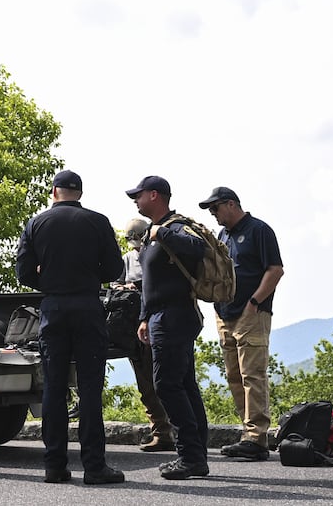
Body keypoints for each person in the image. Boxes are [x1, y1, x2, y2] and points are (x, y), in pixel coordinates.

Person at [15, 169, 126, 485]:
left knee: (54, 387)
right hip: (88, 306)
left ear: (54, 192)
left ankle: (54, 465)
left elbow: (23, 272)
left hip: (53, 307)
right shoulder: (98, 222)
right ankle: (94, 466)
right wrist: (89, 276)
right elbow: (115, 268)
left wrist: (49, 281)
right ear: (80, 193)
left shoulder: (36, 223)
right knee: (90, 388)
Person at [128, 175, 211, 480]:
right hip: (161, 316)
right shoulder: (153, 233)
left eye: (138, 195)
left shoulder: (174, 226)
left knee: (166, 385)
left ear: (155, 195)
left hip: (175, 317)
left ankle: (190, 456)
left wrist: (162, 233)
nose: (135, 201)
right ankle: (196, 455)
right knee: (183, 384)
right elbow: (152, 282)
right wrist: (144, 317)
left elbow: (198, 248)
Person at [200, 186, 284, 460]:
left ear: (231, 204)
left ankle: (257, 438)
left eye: (215, 208)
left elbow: (275, 270)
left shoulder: (259, 230)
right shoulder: (223, 235)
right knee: (235, 376)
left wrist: (254, 303)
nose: (213, 214)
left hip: (251, 314)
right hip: (225, 314)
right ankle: (247, 434)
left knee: (252, 375)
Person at [120, 215, 173, 453]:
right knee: (145, 384)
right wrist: (127, 287)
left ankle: (179, 431)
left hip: (159, 322)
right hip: (134, 327)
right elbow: (115, 285)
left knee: (165, 380)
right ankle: (161, 432)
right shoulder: (126, 260)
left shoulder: (159, 253)